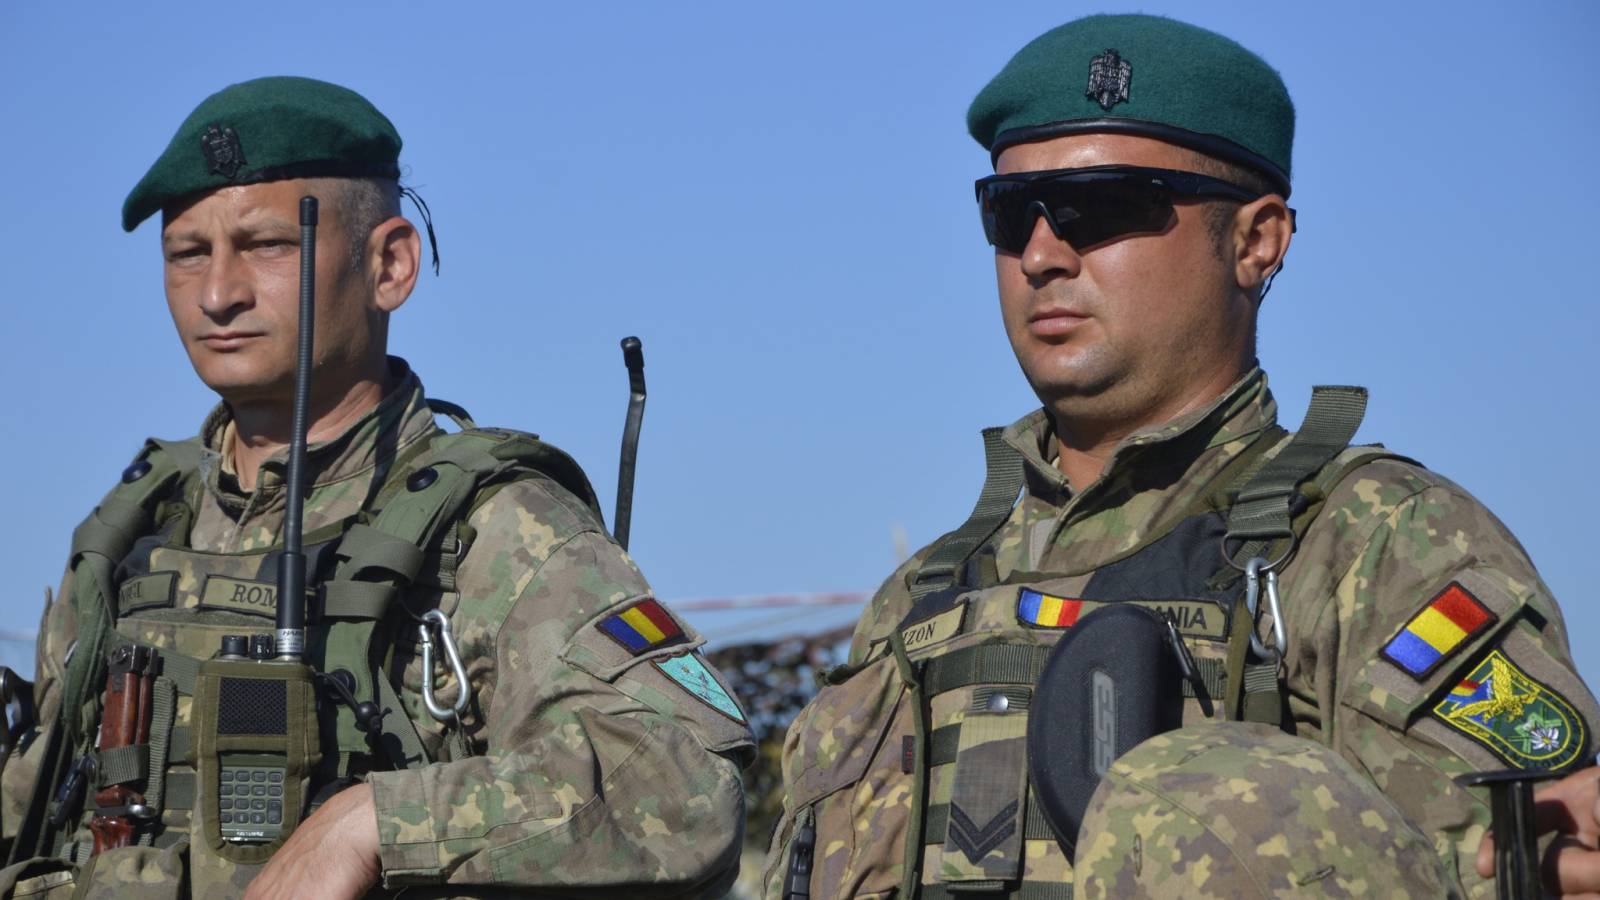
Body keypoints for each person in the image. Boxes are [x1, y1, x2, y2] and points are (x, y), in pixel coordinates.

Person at [763, 14, 1600, 899]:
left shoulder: (1373, 545)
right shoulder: (924, 600)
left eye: (1105, 205)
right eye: (1010, 215)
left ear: (1256, 240)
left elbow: (1502, 864)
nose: (1043, 254)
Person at [0, 76, 753, 899]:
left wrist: (368, 825)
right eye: (188, 254)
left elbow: (684, 787)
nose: (218, 294)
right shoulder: (133, 531)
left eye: (267, 246)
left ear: (391, 264)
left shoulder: (495, 528)